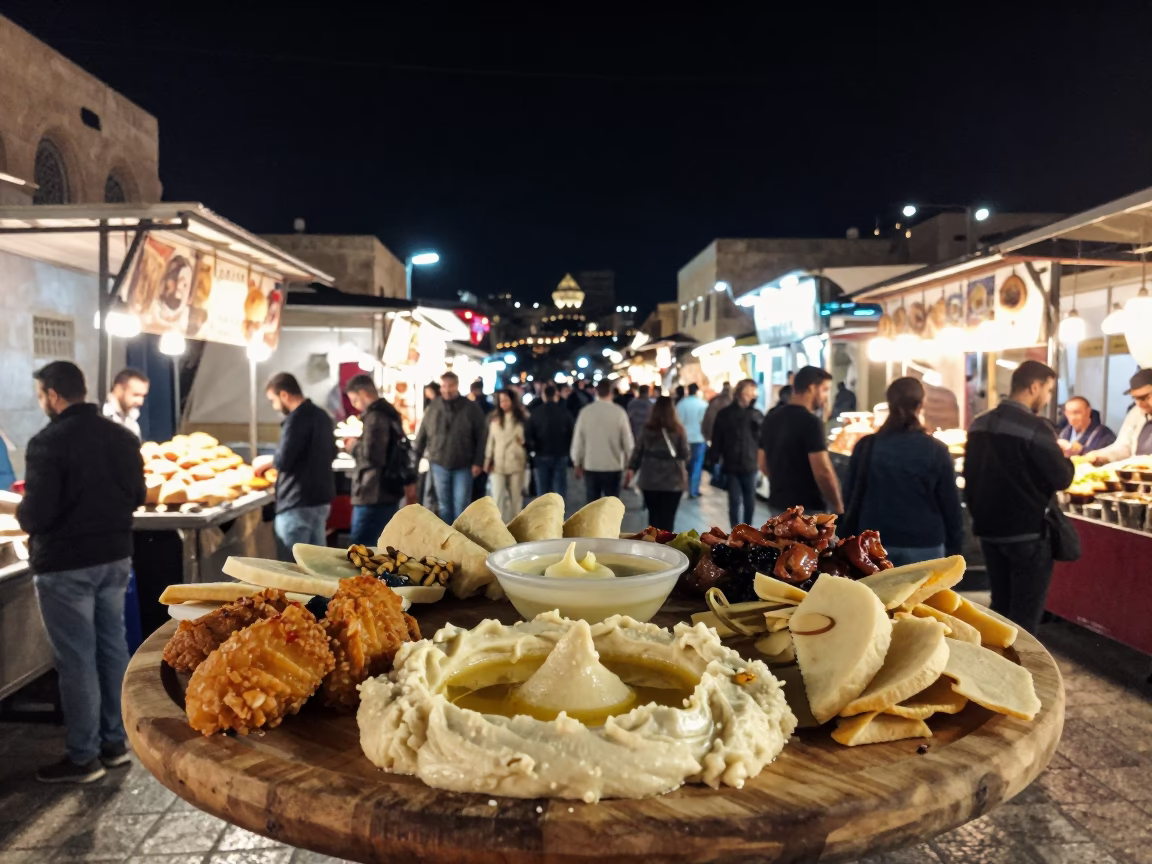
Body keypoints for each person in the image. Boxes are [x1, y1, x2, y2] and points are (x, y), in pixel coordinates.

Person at [17, 361, 145, 783]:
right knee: (112, 649)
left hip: (66, 566)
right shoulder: (122, 437)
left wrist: (20, 511)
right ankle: (116, 743)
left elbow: (37, 514)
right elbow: (138, 495)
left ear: (53, 395)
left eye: (41, 395)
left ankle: (83, 756)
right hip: (115, 558)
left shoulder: (46, 443)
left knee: (76, 659)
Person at [965, 360, 1075, 633]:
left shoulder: (979, 424)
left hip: (989, 533)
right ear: (1034, 386)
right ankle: (1021, 661)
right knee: (1025, 618)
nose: (1047, 398)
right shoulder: (1036, 429)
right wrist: (1068, 459)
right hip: (1028, 534)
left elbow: (970, 475)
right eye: (1048, 391)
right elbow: (1061, 478)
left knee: (1000, 608)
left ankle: (995, 657)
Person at [844, 378, 963, 567]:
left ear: (889, 403)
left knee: (877, 588)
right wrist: (956, 546)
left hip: (874, 543)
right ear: (921, 405)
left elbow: (849, 495)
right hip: (925, 543)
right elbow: (950, 504)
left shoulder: (867, 446)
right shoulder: (936, 449)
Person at [266, 372, 337, 559]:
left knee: (292, 567)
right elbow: (333, 452)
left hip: (296, 503)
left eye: (273, 400)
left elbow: (284, 461)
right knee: (316, 564)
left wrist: (268, 462)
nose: (274, 407)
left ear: (284, 395)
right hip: (321, 502)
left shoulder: (295, 420)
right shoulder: (323, 416)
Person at [758, 366, 844, 517]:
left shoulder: (771, 418)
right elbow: (822, 471)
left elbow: (762, 463)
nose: (826, 397)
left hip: (777, 505)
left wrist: (782, 485)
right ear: (812, 388)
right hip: (807, 510)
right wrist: (838, 507)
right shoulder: (811, 422)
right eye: (825, 390)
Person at [343, 375, 414, 547]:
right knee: (383, 545)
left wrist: (353, 446)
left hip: (373, 492)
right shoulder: (389, 412)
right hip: (388, 489)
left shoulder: (375, 416)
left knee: (361, 546)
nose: (355, 405)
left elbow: (372, 455)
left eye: (354, 400)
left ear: (363, 393)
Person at [414, 371, 486, 524]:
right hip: (439, 463)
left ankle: (461, 534)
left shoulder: (471, 408)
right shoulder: (433, 407)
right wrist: (415, 458)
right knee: (443, 506)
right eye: (444, 386)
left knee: (462, 506)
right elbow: (422, 434)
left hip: (464, 464)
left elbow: (482, 436)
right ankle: (448, 535)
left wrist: (478, 462)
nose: (447, 390)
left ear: (457, 386)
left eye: (451, 386)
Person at [627, 396, 689, 531]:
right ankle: (667, 542)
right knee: (668, 519)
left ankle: (654, 541)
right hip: (673, 481)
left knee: (653, 517)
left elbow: (638, 451)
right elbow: (685, 454)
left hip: (650, 479)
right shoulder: (678, 430)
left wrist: (632, 468)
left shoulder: (647, 429)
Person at [709, 379, 763, 527]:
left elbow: (762, 439)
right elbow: (717, 438)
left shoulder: (756, 415)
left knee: (749, 501)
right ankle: (735, 530)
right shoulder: (725, 414)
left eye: (753, 393)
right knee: (734, 501)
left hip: (750, 464)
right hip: (731, 464)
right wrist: (714, 460)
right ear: (741, 393)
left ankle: (748, 529)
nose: (752, 396)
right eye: (750, 393)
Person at [571, 379, 634, 500]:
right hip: (613, 465)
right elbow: (627, 441)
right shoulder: (619, 413)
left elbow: (578, 440)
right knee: (611, 504)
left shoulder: (585, 412)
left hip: (591, 465)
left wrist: (577, 462)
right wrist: (631, 465)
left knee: (592, 503)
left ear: (596, 392)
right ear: (612, 393)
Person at [1085, 369, 1152, 464]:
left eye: (1144, 397)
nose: (1139, 403)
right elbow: (1123, 447)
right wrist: (1099, 456)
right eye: (1135, 398)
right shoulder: (1136, 413)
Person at [485, 390, 528, 521]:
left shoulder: (522, 418)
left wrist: (523, 443)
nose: (503, 403)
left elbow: (528, 438)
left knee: (516, 500)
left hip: (516, 462)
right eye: (501, 400)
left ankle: (515, 527)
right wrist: (487, 460)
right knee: (497, 499)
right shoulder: (494, 419)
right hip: (497, 463)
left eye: (506, 400)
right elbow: (491, 441)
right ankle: (500, 528)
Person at [525, 384, 574, 498]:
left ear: (544, 395)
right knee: (560, 487)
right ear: (556, 395)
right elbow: (571, 432)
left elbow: (528, 434)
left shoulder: (536, 413)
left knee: (542, 489)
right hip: (560, 453)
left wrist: (532, 451)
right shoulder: (564, 412)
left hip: (541, 453)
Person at [676, 383, 709, 498]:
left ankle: (682, 486)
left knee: (684, 464)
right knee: (697, 465)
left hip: (685, 438)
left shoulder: (681, 404)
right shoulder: (703, 404)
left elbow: (678, 422)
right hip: (699, 438)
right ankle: (693, 490)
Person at [103, 368, 150, 440]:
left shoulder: (133, 424)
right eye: (136, 395)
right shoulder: (100, 415)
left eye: (143, 396)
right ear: (118, 389)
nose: (140, 402)